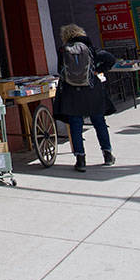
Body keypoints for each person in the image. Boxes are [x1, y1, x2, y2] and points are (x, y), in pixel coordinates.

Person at [51, 24, 116, 173]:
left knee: (75, 125)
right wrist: (98, 71)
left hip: (72, 92)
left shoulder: (63, 50)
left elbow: (61, 70)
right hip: (92, 90)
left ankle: (80, 159)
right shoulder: (90, 48)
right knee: (99, 122)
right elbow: (110, 59)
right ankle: (107, 154)